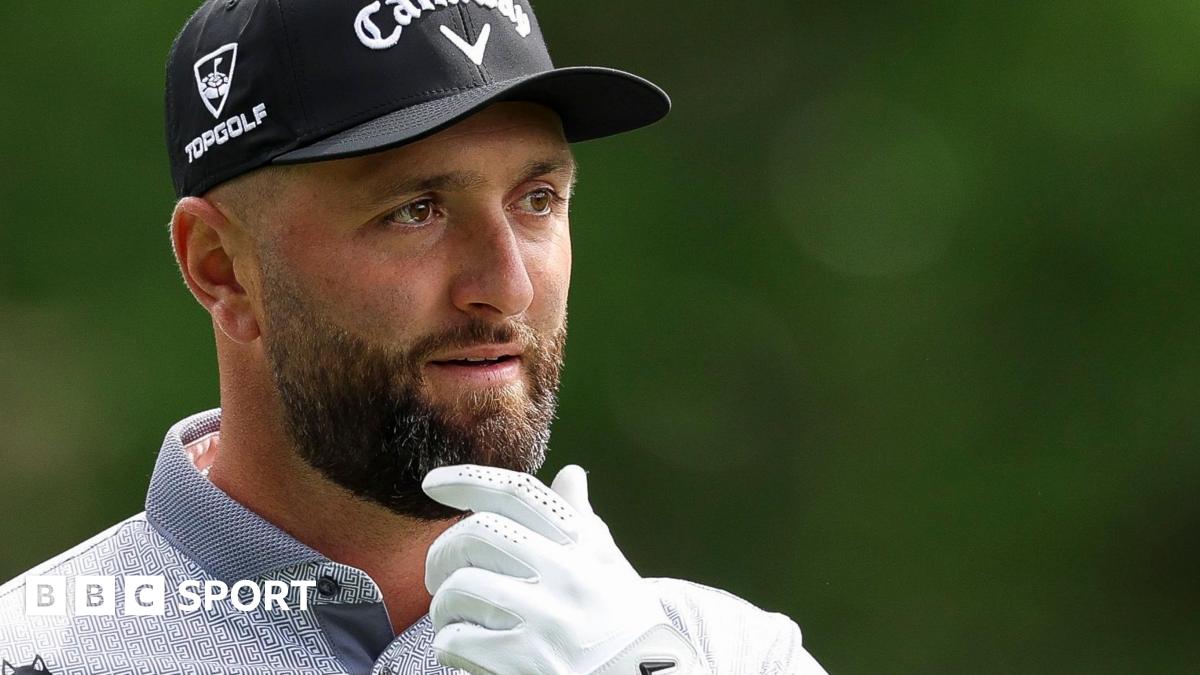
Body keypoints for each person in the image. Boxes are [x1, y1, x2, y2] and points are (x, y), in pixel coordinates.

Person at [0, 1, 828, 673]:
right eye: (415, 210)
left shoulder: (727, 653)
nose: (508, 285)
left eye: (537, 199)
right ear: (222, 268)